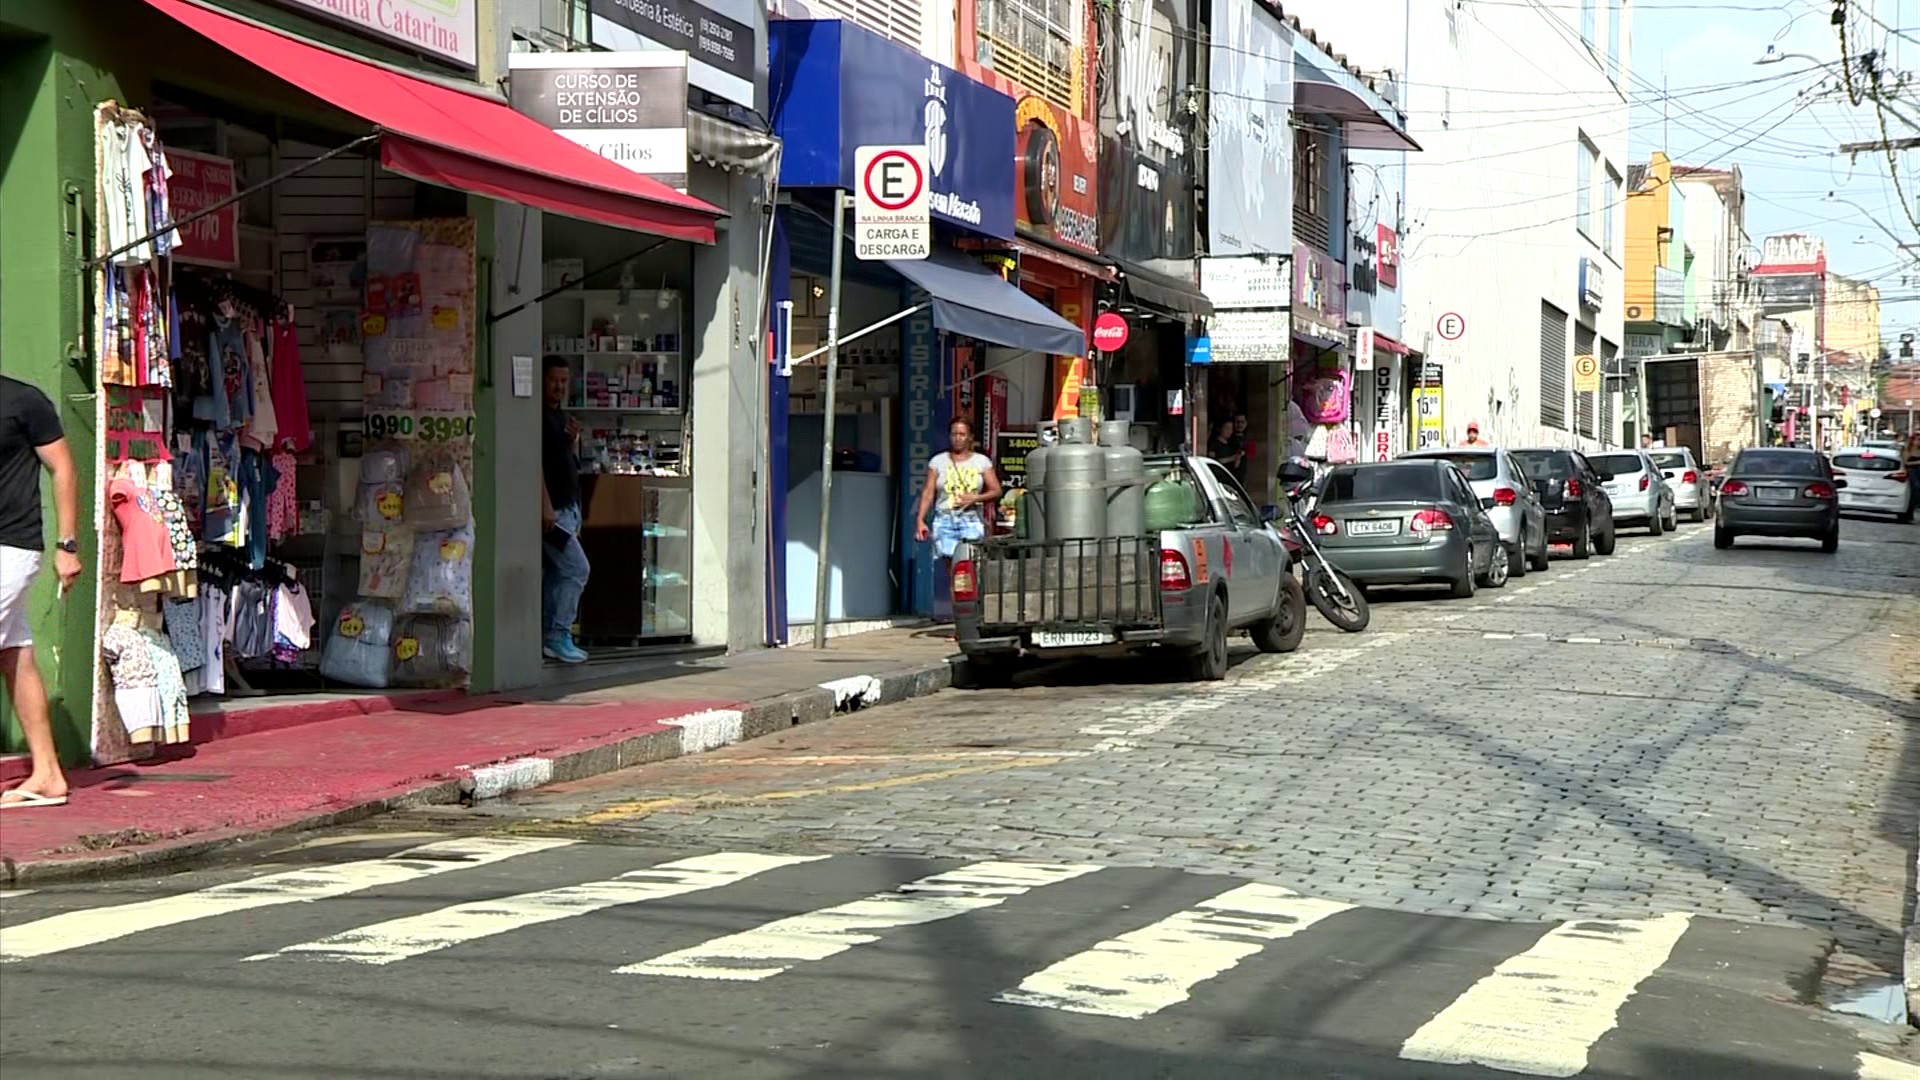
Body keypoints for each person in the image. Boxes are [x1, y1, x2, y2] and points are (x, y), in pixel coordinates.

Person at [1, 374, 78, 809]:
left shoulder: (22, 400)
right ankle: (48, 774)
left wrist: (67, 545)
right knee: (16, 653)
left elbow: (63, 466)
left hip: (10, 546)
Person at [539, 356, 590, 665]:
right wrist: (545, 506)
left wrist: (573, 442)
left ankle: (550, 636)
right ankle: (558, 634)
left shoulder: (561, 418)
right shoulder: (538, 417)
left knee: (558, 573)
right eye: (553, 380)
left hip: (567, 510)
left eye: (563, 381)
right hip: (553, 514)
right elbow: (535, 465)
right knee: (577, 568)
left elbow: (564, 462)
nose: (559, 387)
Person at [914, 417, 1001, 560]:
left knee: (969, 563)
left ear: (970, 437)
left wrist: (976, 498)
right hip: (945, 518)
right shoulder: (938, 461)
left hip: (970, 518)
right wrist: (920, 520)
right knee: (951, 565)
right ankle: (953, 583)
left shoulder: (981, 461)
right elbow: (928, 492)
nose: (957, 438)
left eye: (962, 434)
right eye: (954, 434)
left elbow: (996, 490)